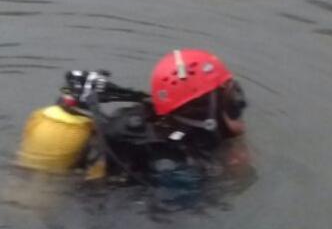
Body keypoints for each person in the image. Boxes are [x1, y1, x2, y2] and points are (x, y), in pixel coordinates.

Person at [16, 49, 248, 192]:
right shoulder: (176, 166)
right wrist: (233, 173)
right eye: (232, 102)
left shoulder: (153, 118)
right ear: (205, 110)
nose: (239, 108)